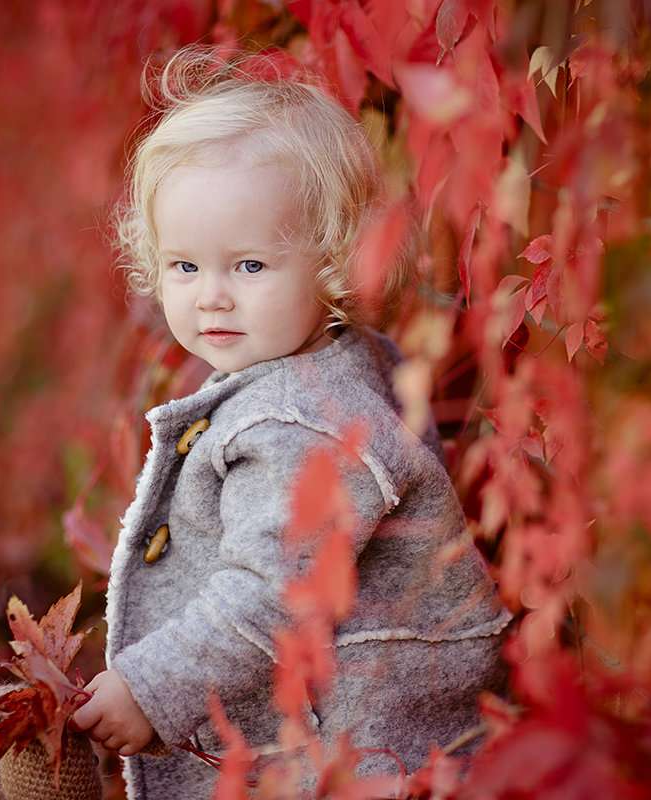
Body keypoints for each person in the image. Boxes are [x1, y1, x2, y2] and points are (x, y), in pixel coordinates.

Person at [70, 47, 511, 799]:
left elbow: (271, 593)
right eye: (184, 266)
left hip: (354, 753)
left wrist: (149, 688)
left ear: (334, 262)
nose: (211, 298)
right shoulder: (337, 363)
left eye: (248, 267)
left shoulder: (298, 424)